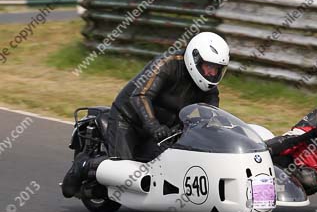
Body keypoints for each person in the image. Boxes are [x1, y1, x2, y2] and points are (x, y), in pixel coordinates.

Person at [61, 32, 230, 197]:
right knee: (125, 174)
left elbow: (211, 116)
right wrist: (154, 126)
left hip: (165, 129)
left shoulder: (209, 89)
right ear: (195, 59)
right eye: (209, 67)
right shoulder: (167, 64)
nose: (212, 74)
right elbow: (140, 95)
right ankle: (84, 165)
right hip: (129, 120)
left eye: (217, 69)